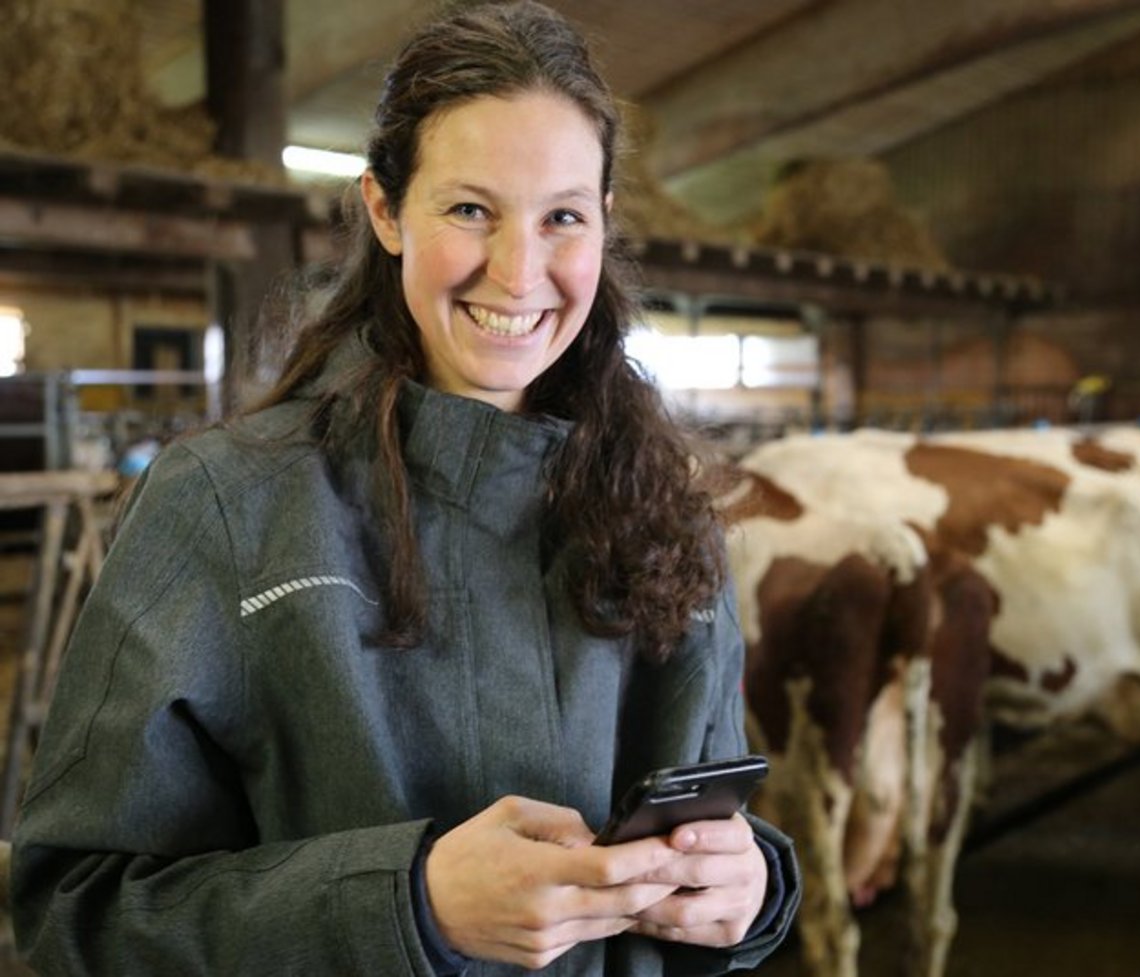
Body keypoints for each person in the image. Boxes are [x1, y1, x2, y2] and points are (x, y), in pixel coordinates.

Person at [9, 2, 800, 973]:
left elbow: (707, 817)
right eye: (470, 209)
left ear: (603, 223)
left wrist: (749, 887)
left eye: (561, 216)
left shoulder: (663, 505)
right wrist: (408, 905)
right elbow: (71, 914)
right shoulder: (225, 501)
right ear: (384, 210)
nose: (518, 274)